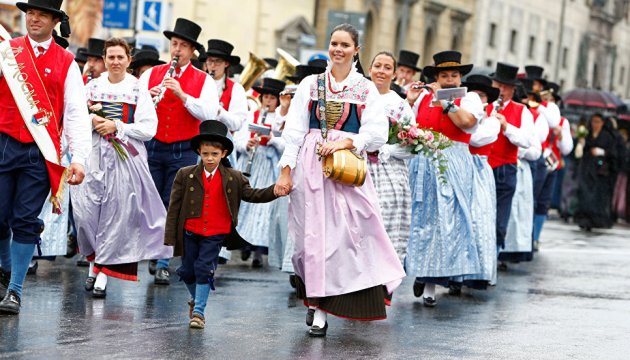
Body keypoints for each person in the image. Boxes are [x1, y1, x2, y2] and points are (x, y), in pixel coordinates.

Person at [274, 24, 405, 337]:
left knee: (349, 235)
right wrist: (286, 170)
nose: (338, 49)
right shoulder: (310, 84)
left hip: (346, 170)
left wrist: (348, 142)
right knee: (310, 238)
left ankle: (326, 306)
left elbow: (375, 134)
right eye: (334, 43)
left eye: (345, 45)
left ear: (356, 50)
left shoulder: (365, 89)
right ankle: (314, 299)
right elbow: (293, 130)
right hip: (310, 165)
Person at [0, 0, 91, 314]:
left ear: (55, 21)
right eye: (31, 14)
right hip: (3, 143)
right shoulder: (7, 52)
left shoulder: (67, 62)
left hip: (41, 153)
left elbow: (77, 114)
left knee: (25, 221)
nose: (34, 19)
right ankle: (6, 266)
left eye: (42, 15)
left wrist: (78, 158)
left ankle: (14, 290)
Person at [71, 38, 173, 298]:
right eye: (111, 57)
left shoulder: (138, 89)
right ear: (104, 59)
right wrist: (92, 119)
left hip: (124, 158)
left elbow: (149, 129)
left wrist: (118, 126)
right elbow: (74, 117)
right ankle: (94, 262)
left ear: (129, 60)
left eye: (120, 57)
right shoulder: (92, 86)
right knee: (86, 215)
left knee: (115, 217)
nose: (115, 62)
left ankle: (103, 272)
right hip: (94, 156)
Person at [164, 120, 280, 329]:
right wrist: (170, 236)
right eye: (205, 153)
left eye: (214, 154)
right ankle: (195, 299)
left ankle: (199, 312)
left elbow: (252, 195)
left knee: (203, 268)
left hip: (216, 232)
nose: (209, 158)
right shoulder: (185, 174)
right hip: (190, 231)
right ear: (199, 151)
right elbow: (174, 207)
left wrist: (275, 190)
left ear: (224, 154)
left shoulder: (234, 177)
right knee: (187, 270)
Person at [139, 18, 220, 285]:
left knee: (171, 205)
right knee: (149, 202)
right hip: (153, 145)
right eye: (174, 44)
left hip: (183, 149)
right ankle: (153, 248)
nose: (177, 50)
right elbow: (137, 109)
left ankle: (162, 260)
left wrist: (183, 95)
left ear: (192, 51)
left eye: (183, 46)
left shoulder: (204, 80)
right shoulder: (151, 74)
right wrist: (149, 99)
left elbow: (209, 114)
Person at [404, 50, 483, 306]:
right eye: (444, 75)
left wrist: (445, 101)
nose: (450, 80)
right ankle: (423, 272)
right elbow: (407, 128)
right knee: (422, 219)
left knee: (446, 221)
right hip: (423, 163)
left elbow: (467, 123)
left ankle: (432, 280)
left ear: (460, 78)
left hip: (452, 162)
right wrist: (409, 101)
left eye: (454, 75)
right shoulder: (423, 98)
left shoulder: (469, 98)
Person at [366, 51, 414, 264]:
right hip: (357, 167)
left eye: (387, 68)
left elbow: (412, 146)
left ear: (394, 74)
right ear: (369, 70)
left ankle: (385, 284)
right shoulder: (358, 97)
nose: (381, 71)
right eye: (377, 66)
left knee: (386, 223)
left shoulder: (400, 105)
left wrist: (387, 149)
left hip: (389, 170)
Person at [234, 78, 286, 268]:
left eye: (272, 98)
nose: (268, 101)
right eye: (265, 97)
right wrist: (246, 145)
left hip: (269, 165)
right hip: (251, 163)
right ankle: (244, 244)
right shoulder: (251, 115)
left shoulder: (281, 119)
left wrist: (272, 139)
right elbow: (237, 139)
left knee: (263, 209)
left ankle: (258, 250)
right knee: (245, 206)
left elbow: (287, 146)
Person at [486, 62, 534, 256]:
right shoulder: (483, 106)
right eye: (498, 86)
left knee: (499, 221)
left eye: (506, 87)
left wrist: (506, 127)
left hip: (505, 168)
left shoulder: (522, 111)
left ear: (513, 90)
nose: (502, 90)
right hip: (482, 167)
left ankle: (493, 260)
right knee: (479, 218)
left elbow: (526, 141)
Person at [465, 74, 501, 288]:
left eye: (481, 95)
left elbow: (476, 138)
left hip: (478, 169)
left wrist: (472, 117)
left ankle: (476, 272)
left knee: (478, 219)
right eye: (474, 94)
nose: (477, 98)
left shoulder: (492, 120)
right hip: (459, 164)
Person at [574, 114, 618, 230]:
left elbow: (614, 154)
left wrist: (602, 152)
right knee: (585, 194)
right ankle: (584, 219)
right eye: (593, 121)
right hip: (587, 168)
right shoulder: (586, 134)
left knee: (598, 196)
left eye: (598, 122)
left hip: (600, 171)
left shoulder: (607, 136)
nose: (595, 124)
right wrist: (581, 144)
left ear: (602, 123)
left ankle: (597, 219)